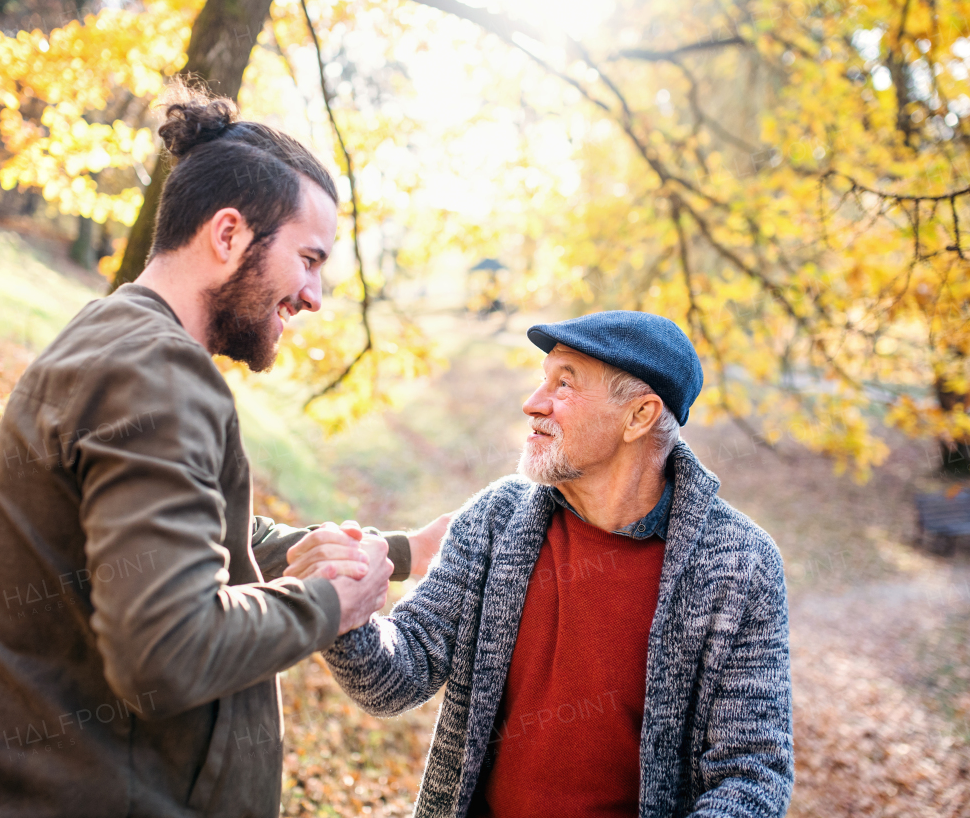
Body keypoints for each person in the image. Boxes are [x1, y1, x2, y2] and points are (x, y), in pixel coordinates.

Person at [0, 89, 445, 818]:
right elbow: (165, 650)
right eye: (309, 259)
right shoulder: (158, 377)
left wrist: (404, 549)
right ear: (228, 234)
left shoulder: (110, 336)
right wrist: (326, 602)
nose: (315, 295)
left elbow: (203, 537)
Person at [288, 310, 794, 818]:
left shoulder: (739, 565)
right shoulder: (496, 518)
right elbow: (399, 675)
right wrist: (346, 612)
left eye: (565, 384)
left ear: (639, 416)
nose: (533, 404)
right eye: (542, 380)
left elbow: (751, 774)